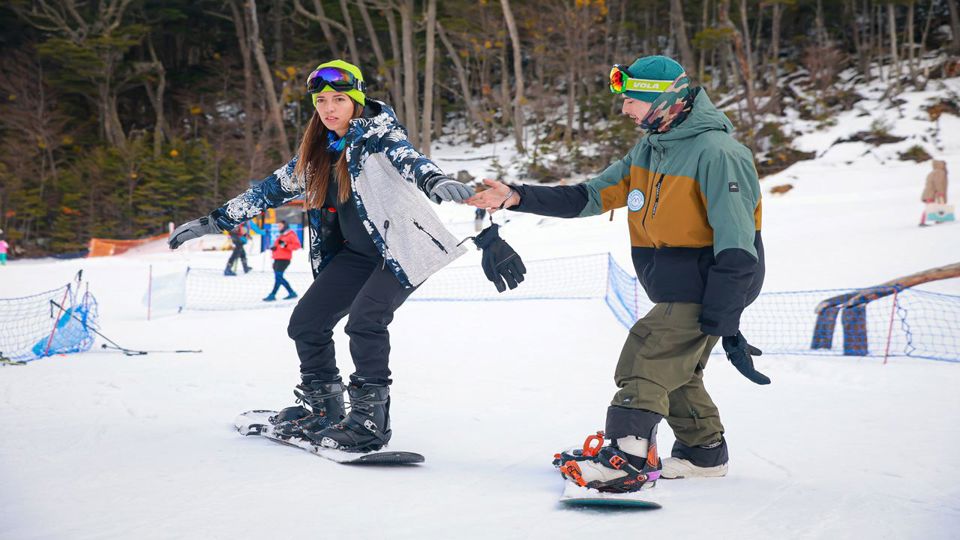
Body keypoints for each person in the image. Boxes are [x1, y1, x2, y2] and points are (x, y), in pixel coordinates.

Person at [467, 56, 769, 492]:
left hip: (710, 279)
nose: (625, 109)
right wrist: (515, 197)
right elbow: (588, 196)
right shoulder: (651, 148)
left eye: (632, 99)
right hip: (673, 281)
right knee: (677, 370)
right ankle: (703, 454)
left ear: (663, 99)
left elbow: (738, 243)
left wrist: (725, 313)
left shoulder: (719, 154)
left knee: (645, 358)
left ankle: (627, 457)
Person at [167, 60, 484, 453]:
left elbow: (410, 159)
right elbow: (267, 191)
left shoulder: (379, 136)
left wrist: (436, 180)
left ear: (356, 99)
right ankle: (324, 408)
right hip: (356, 255)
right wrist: (215, 221)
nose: (329, 108)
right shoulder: (316, 153)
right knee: (307, 323)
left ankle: (370, 421)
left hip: (400, 250)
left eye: (338, 99)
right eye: (321, 101)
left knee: (366, 321)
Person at [263, 220, 301, 300]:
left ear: (285, 225)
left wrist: (285, 245)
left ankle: (273, 294)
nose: (279, 227)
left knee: (278, 277)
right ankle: (291, 293)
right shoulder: (281, 235)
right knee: (278, 277)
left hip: (284, 259)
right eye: (278, 226)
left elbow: (297, 246)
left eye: (280, 226)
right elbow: (279, 245)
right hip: (277, 258)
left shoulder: (290, 234)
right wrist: (274, 248)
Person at [920, 160, 949, 226]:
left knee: (931, 207)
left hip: (928, 192)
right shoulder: (940, 172)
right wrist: (941, 192)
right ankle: (925, 222)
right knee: (936, 206)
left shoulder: (932, 172)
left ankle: (925, 221)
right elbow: (938, 183)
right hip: (933, 193)